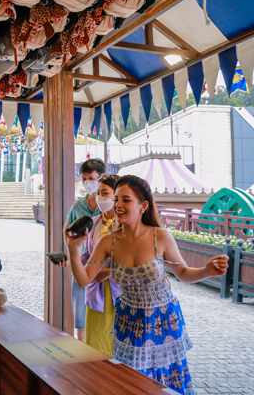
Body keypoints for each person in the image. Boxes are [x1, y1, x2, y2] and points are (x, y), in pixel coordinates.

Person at [65, 175, 228, 395]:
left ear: (143, 206)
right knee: (130, 382)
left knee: (166, 382)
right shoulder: (107, 242)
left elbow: (183, 273)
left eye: (126, 200)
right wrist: (72, 250)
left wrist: (207, 271)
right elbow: (85, 279)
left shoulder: (160, 236)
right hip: (128, 321)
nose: (118, 205)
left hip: (163, 320)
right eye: (116, 200)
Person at [63, 174, 121, 357]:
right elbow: (88, 254)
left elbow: (133, 260)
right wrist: (73, 260)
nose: (100, 197)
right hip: (95, 291)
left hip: (119, 292)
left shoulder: (125, 225)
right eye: (98, 193)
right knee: (95, 344)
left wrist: (108, 272)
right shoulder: (95, 222)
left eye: (105, 192)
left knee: (116, 343)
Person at [64, 158, 105, 342]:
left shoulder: (110, 206)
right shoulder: (78, 206)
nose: (87, 182)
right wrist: (72, 253)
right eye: (84, 179)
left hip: (104, 267)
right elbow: (67, 230)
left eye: (91, 178)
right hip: (83, 264)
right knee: (80, 315)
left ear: (101, 177)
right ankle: (81, 349)